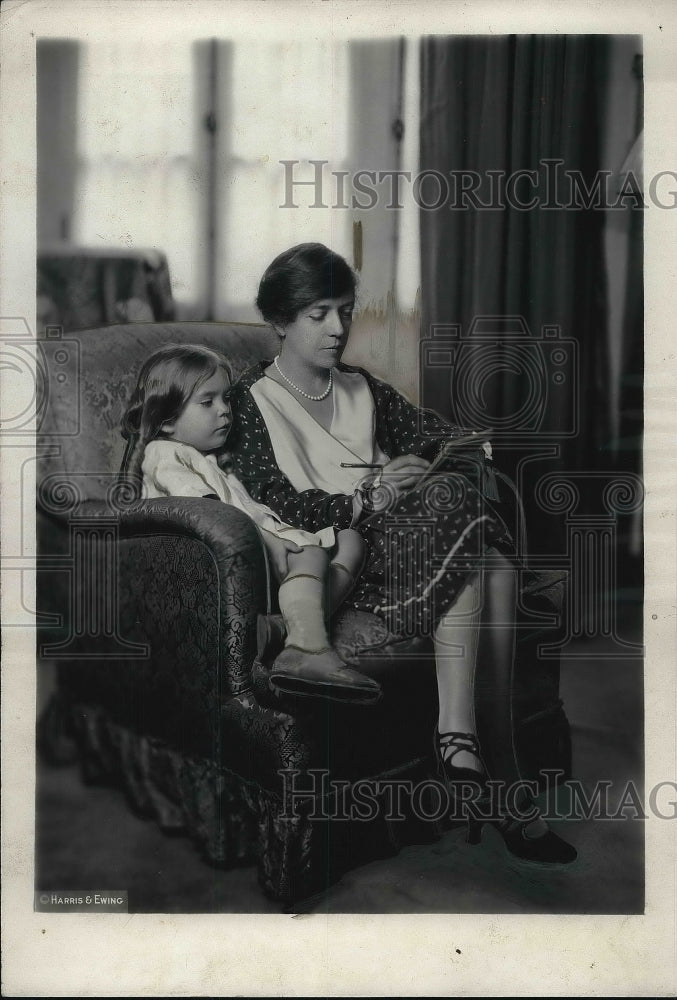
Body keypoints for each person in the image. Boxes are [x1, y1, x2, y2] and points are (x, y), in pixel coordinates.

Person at [227, 242, 578, 866]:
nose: (338, 329)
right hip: (345, 556)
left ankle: (470, 751)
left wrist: (456, 451)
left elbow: (436, 436)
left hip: (419, 545)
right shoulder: (251, 401)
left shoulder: (364, 387)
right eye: (318, 315)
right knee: (467, 525)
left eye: (345, 311)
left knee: (467, 516)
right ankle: (491, 773)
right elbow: (272, 500)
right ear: (280, 321)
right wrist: (372, 493)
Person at [120, 343, 381, 704]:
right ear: (166, 419)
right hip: (237, 562)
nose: (225, 411)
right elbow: (206, 513)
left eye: (226, 399)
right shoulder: (163, 453)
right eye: (207, 402)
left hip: (266, 548)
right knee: (312, 553)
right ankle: (308, 647)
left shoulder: (209, 461)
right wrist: (270, 541)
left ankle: (283, 629)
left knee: (351, 540)